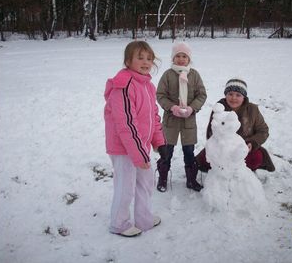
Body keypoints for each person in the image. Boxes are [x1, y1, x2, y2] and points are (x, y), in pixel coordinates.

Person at [104, 41, 168, 237]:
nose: (146, 62)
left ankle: (144, 218)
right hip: (124, 149)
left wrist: (159, 141)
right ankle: (119, 223)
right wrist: (140, 155)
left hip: (141, 147)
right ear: (128, 61)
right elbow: (127, 124)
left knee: (145, 183)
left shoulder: (147, 85)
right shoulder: (123, 85)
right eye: (140, 57)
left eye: (149, 58)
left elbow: (153, 117)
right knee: (126, 186)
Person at [156, 42, 207, 192]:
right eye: (178, 56)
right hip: (171, 120)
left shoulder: (194, 75)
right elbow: (160, 95)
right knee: (167, 151)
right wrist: (172, 107)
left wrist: (192, 108)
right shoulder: (168, 75)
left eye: (184, 56)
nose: (181, 59)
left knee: (189, 152)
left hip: (188, 121)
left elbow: (201, 95)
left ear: (189, 58)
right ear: (173, 58)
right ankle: (163, 178)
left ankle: (191, 180)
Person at [195, 78, 275, 173]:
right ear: (226, 95)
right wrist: (222, 146)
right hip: (222, 148)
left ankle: (243, 174)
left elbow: (263, 131)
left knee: (256, 158)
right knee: (205, 160)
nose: (234, 98)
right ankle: (220, 173)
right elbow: (211, 132)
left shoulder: (252, 110)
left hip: (244, 149)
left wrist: (251, 143)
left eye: (238, 95)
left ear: (243, 97)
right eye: (230, 94)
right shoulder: (219, 109)